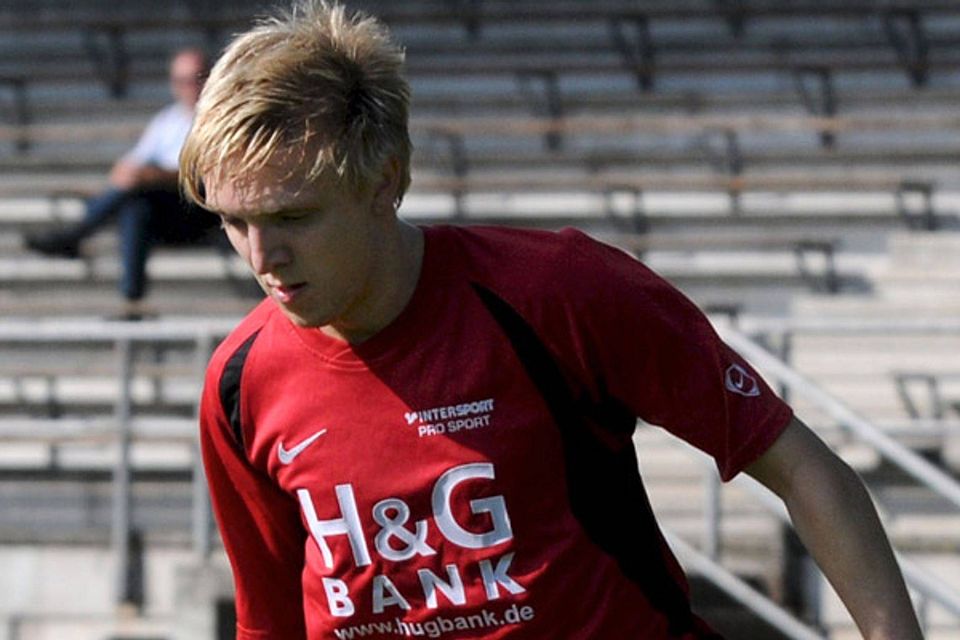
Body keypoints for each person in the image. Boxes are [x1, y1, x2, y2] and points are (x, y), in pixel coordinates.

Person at [179, 2, 924, 638]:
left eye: (293, 216)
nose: (261, 254)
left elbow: (803, 468)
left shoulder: (558, 292)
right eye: (233, 222)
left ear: (386, 181)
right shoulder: (240, 384)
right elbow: (270, 622)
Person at [24, 47, 219, 319]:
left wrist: (152, 176)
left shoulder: (220, 119)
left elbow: (210, 177)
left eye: (195, 78)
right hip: (156, 208)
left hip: (197, 212)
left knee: (137, 196)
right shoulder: (168, 119)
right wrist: (130, 173)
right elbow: (130, 163)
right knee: (135, 207)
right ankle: (131, 300)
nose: (188, 87)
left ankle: (77, 234)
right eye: (180, 80)